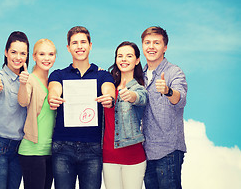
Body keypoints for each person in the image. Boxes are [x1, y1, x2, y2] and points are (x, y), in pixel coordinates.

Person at [48, 26, 115, 189]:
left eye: (83, 42)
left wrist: (109, 97)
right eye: (74, 43)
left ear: (90, 45)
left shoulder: (102, 75)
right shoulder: (58, 74)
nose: (79, 46)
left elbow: (109, 88)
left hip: (92, 148)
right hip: (62, 147)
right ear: (68, 48)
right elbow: (54, 88)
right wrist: (53, 97)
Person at [141, 26, 188, 189]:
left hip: (168, 150)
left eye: (156, 43)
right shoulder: (140, 74)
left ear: (165, 47)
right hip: (146, 151)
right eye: (147, 42)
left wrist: (168, 91)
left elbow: (180, 98)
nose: (151, 47)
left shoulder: (174, 72)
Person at [0, 31, 29, 189]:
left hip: (19, 148)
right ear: (6, 52)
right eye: (13, 52)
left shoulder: (27, 80)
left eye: (22, 53)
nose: (18, 57)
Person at [103, 41, 148, 189]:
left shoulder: (138, 88)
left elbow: (141, 97)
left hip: (133, 157)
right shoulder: (108, 86)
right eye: (120, 56)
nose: (124, 59)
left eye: (129, 56)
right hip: (108, 156)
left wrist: (131, 96)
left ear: (137, 60)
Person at [17, 39, 57, 189]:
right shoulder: (29, 79)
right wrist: (22, 83)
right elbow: (23, 101)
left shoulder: (53, 81)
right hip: (32, 150)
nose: (46, 58)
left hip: (50, 151)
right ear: (34, 57)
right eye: (42, 54)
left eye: (51, 54)